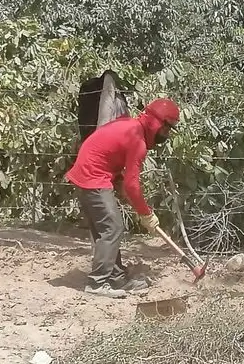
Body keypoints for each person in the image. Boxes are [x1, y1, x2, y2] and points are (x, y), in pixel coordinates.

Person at [65, 98, 181, 298]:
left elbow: (112, 157)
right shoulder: (138, 140)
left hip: (88, 174)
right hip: (93, 176)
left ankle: (116, 278)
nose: (166, 135)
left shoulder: (130, 126)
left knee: (107, 229)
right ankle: (97, 282)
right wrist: (146, 214)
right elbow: (132, 185)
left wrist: (119, 182)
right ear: (157, 123)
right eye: (166, 129)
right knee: (112, 228)